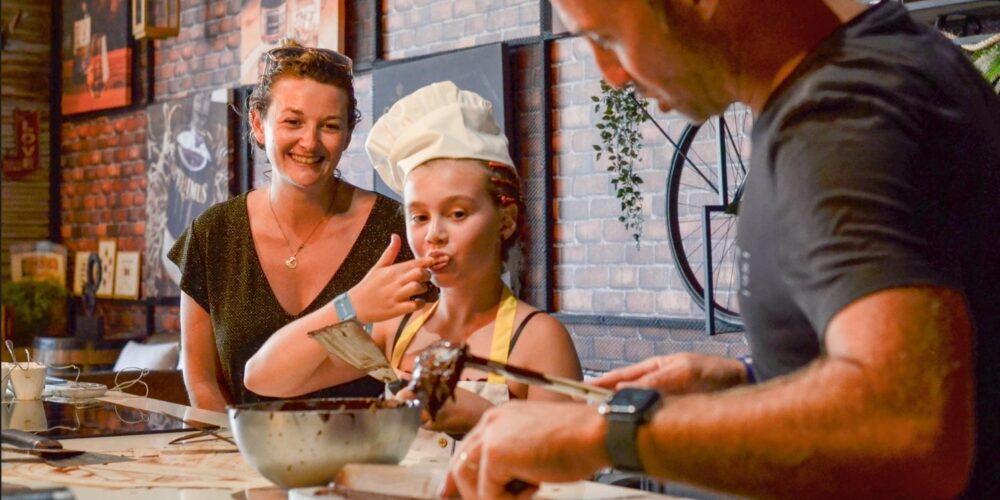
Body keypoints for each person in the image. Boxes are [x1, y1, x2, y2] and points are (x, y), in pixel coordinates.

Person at [443, 1, 1000, 498]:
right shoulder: (876, 67)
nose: (610, 76)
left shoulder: (840, 121)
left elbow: (909, 429)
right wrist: (747, 379)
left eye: (608, 39)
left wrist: (605, 433)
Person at [244, 81, 582, 451]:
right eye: (419, 217)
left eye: (457, 213)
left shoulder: (538, 339)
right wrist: (350, 304)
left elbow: (568, 475)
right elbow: (262, 377)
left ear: (505, 220)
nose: (435, 235)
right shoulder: (397, 329)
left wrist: (483, 417)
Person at [168, 39, 435, 411]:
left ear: (347, 134)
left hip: (366, 456)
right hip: (238, 456)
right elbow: (201, 381)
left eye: (329, 125)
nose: (309, 142)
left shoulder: (397, 230)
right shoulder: (213, 234)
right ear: (259, 124)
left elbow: (416, 365)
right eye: (293, 121)